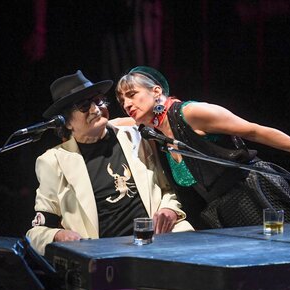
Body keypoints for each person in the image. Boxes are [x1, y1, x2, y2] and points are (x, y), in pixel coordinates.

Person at [115, 66, 290, 229]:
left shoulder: (191, 113)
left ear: (156, 91)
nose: (127, 104)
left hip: (255, 194)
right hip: (226, 212)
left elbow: (253, 130)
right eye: (122, 100)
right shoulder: (156, 132)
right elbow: (113, 125)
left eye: (132, 95)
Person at [26, 69, 193, 255]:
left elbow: (167, 189)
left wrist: (170, 209)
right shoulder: (53, 161)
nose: (96, 109)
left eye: (98, 101)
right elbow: (38, 232)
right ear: (66, 122)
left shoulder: (137, 135)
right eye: (84, 105)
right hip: (104, 256)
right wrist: (58, 235)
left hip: (159, 240)